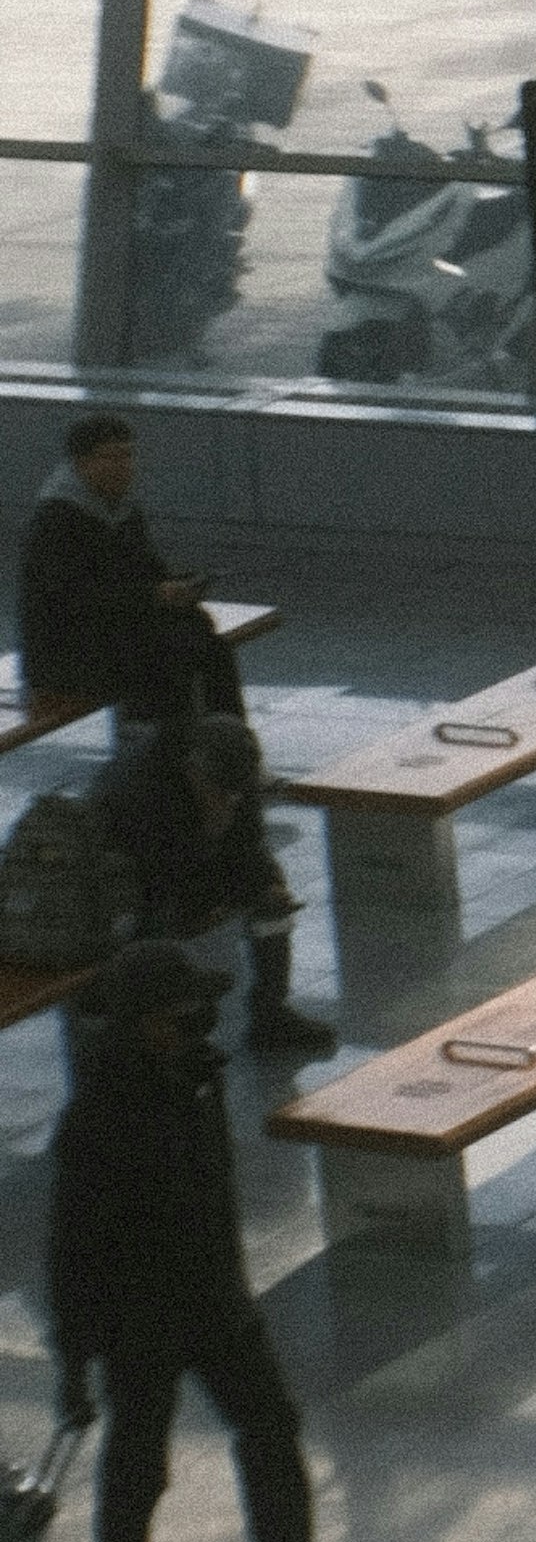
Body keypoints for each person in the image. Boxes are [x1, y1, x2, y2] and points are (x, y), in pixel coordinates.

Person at [50, 942, 366, 1542]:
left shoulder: (195, 1077)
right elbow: (71, 1245)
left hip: (215, 1298)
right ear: (141, 1021)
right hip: (143, 1314)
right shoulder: (101, 1111)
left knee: (271, 1424)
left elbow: (212, 1193)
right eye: (178, 1010)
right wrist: (73, 1360)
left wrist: (233, 1284)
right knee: (139, 1465)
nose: (198, 1020)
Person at [96, 715, 329, 1058]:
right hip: (125, 881)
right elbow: (167, 881)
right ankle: (149, 1034)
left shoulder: (234, 778)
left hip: (187, 861)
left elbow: (250, 848)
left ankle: (271, 1013)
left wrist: (265, 885)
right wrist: (210, 830)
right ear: (193, 771)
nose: (230, 799)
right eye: (220, 791)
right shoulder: (143, 793)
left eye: (237, 793)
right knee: (155, 939)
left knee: (270, 898)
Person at [19, 412, 236, 733]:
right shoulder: (56, 519)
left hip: (115, 632)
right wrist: (153, 595)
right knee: (169, 657)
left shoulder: (122, 507)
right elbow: (72, 601)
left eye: (129, 455)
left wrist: (177, 585)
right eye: (113, 457)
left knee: (206, 639)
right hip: (67, 653)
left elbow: (147, 569)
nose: (125, 465)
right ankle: (163, 756)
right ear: (81, 463)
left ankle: (228, 748)